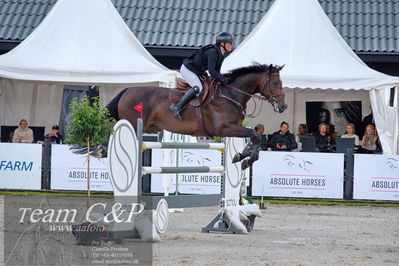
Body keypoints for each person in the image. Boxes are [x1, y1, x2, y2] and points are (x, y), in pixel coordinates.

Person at [170, 32, 234, 120]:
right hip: (187, 69)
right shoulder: (213, 53)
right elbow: (211, 71)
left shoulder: (221, 54)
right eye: (230, 43)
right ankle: (177, 106)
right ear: (222, 44)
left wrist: (223, 79)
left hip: (197, 71)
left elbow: (217, 72)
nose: (232, 45)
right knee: (198, 88)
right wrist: (223, 79)